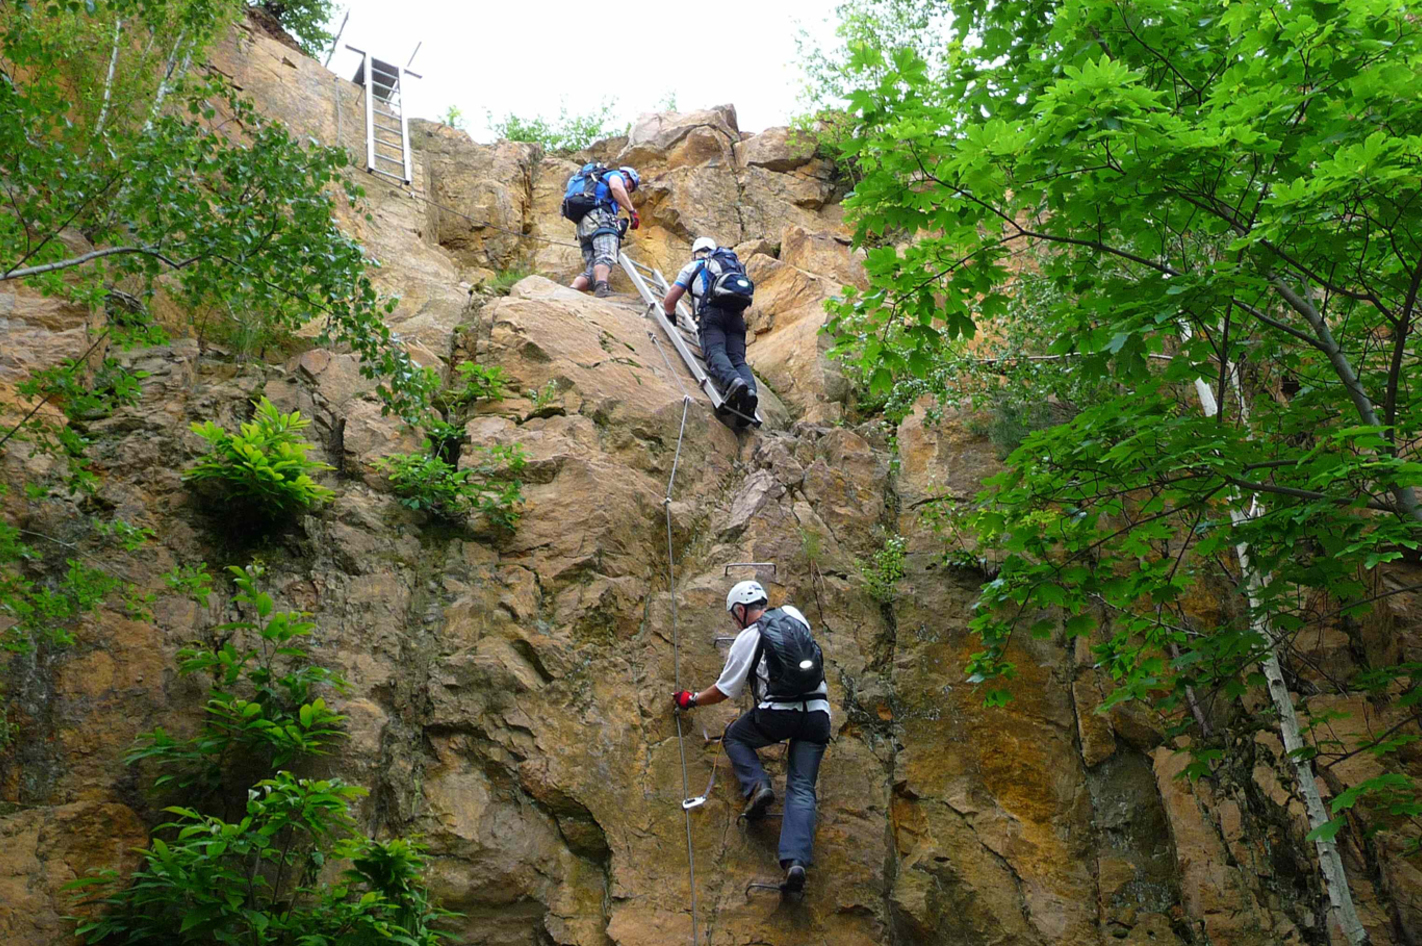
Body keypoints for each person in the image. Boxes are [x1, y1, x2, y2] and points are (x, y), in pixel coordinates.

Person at [672, 580, 830, 893]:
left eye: (734, 616)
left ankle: (759, 786)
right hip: (817, 714)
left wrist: (690, 700)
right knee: (801, 786)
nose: (734, 621)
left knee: (735, 736)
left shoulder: (748, 637)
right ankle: (795, 863)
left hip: (778, 714)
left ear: (742, 610)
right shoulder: (794, 616)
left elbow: (723, 692)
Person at [660, 237, 757, 420]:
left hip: (711, 315)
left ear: (695, 252)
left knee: (715, 351)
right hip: (736, 318)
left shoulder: (694, 267)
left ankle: (733, 382)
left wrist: (670, 315)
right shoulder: (734, 267)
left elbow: (670, 299)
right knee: (737, 359)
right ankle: (750, 391)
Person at [566, 165, 641, 298]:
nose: (628, 190)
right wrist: (632, 211)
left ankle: (572, 289)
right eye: (630, 186)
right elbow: (616, 187)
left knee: (591, 270)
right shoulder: (617, 176)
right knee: (606, 255)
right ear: (626, 175)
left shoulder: (593, 182)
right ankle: (601, 288)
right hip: (600, 219)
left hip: (583, 225)